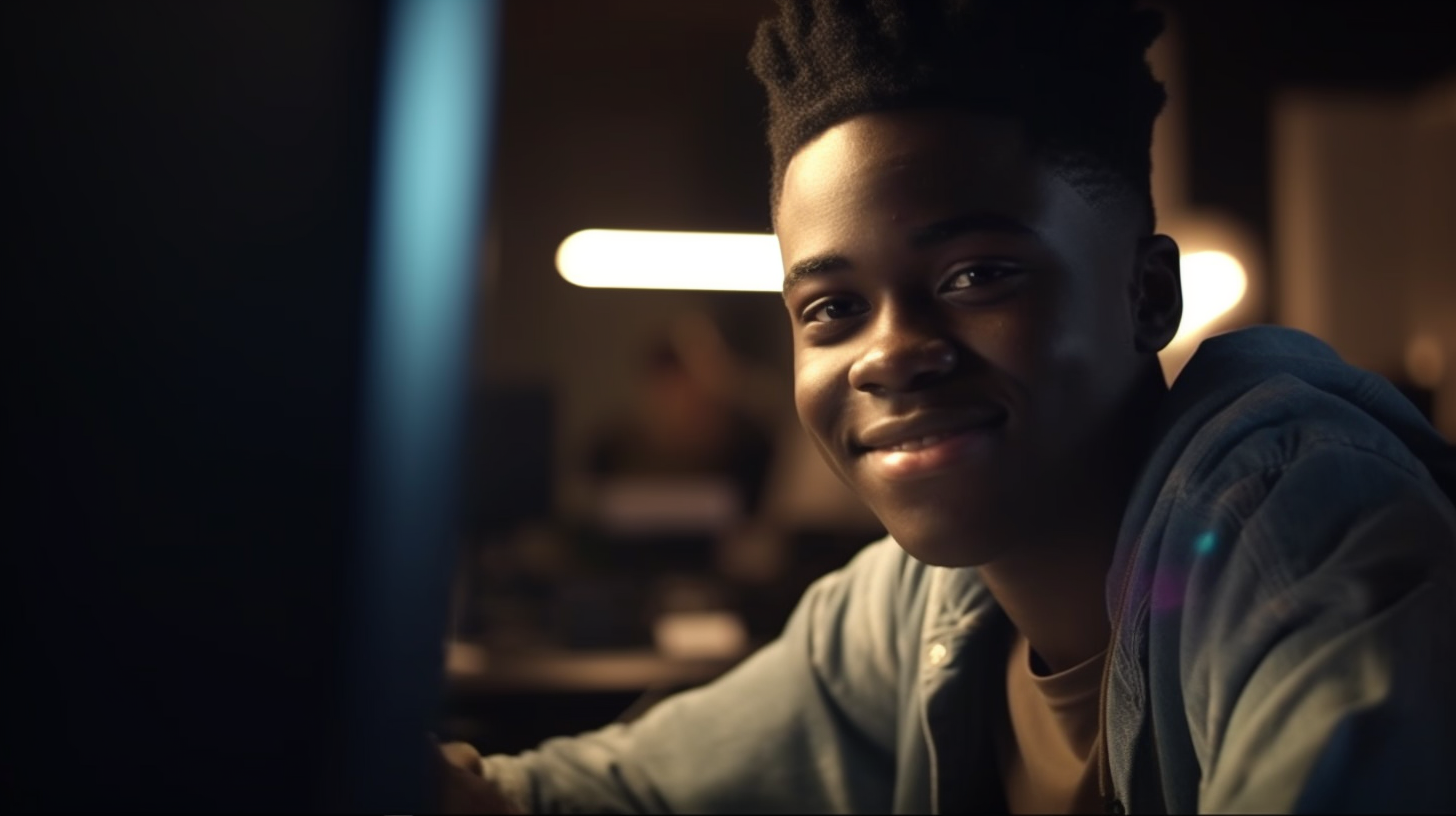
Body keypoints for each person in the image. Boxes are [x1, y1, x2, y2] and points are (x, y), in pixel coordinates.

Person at [438, 0, 1456, 811]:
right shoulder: (912, 608)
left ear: (1147, 295)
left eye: (976, 276)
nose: (889, 355)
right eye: (831, 307)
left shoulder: (1299, 532)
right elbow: (606, 791)